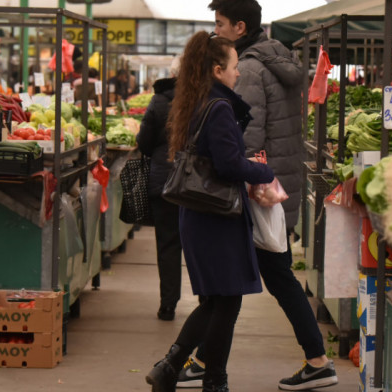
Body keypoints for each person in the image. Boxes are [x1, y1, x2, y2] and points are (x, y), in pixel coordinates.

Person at [176, 1, 339, 391]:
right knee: (264, 278)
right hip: (280, 184)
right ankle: (205, 360)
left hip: (258, 190)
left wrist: (245, 178)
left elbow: (243, 135)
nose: (215, 32)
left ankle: (313, 361)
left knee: (233, 283)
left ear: (239, 26)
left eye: (220, 24)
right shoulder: (279, 58)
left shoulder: (246, 67)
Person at [145, 31, 274, 392]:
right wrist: (263, 171)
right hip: (216, 217)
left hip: (201, 214)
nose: (238, 74)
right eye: (234, 67)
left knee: (219, 299)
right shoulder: (218, 108)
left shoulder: (198, 101)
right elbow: (229, 165)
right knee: (226, 299)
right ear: (218, 69)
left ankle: (172, 367)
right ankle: (211, 379)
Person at [135, 58, 182, 321]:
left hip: (164, 182)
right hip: (197, 184)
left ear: (172, 74)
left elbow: (144, 142)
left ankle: (168, 305)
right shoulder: (204, 100)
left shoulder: (159, 101)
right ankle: (205, 302)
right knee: (198, 243)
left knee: (167, 245)